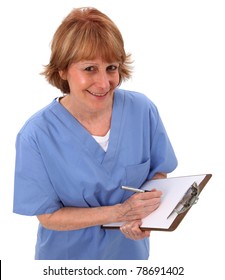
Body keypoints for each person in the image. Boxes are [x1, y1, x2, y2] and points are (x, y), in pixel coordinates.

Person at [13, 7, 177, 260]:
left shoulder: (141, 110)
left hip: (130, 260)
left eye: (111, 67)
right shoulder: (36, 134)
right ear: (63, 70)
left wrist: (145, 214)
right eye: (89, 69)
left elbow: (158, 172)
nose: (104, 83)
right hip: (66, 263)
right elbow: (48, 216)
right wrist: (120, 213)